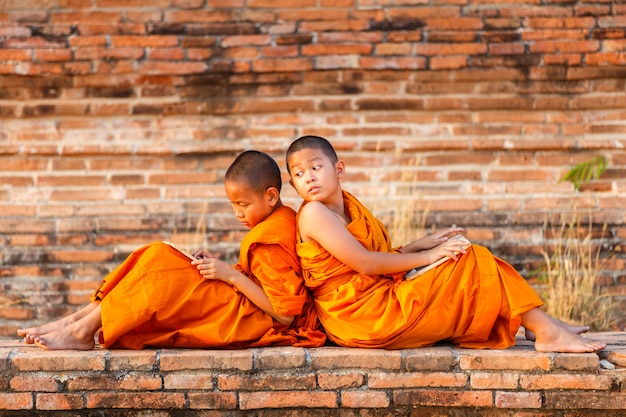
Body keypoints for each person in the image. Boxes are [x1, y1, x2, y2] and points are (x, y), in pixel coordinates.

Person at [285, 135, 606, 353]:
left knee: (468, 254)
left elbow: (372, 256)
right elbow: (366, 264)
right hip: (362, 316)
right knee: (471, 260)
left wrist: (419, 245)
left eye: (316, 167)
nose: (309, 178)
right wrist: (431, 255)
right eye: (299, 174)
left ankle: (540, 325)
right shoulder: (314, 213)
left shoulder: (348, 207)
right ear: (292, 183)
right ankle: (545, 330)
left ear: (338, 170)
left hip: (374, 300)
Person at [18, 150, 326, 350]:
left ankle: (82, 331)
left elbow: (284, 316)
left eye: (243, 205)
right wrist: (221, 267)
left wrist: (229, 275)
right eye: (233, 205)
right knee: (156, 253)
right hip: (245, 300)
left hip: (255, 318)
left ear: (271, 197)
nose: (238, 214)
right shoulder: (277, 221)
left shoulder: (270, 235)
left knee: (160, 268)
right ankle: (74, 322)